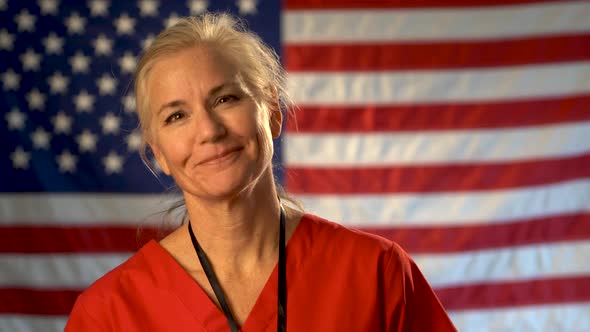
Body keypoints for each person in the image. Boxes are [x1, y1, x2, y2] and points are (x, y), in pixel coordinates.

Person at [65, 13, 457, 332]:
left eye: (225, 98)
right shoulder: (108, 313)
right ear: (159, 154)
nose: (209, 130)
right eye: (177, 115)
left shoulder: (376, 272)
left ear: (271, 113)